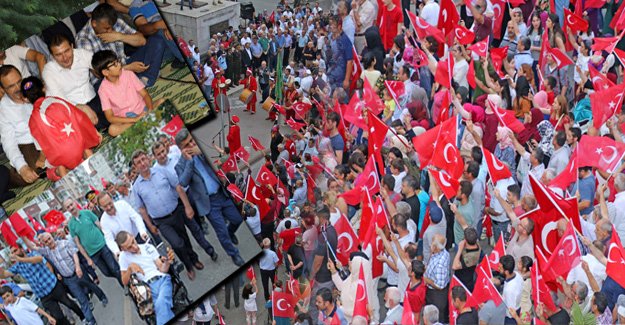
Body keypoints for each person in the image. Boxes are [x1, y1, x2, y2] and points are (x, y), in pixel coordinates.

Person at [174, 128, 245, 266]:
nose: (191, 145)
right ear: (181, 149)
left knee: (237, 218)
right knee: (221, 232)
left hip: (222, 193)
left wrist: (201, 151)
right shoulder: (180, 164)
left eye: (191, 141)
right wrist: (189, 161)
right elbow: (183, 182)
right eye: (186, 145)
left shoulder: (200, 151)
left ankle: (231, 232)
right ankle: (234, 254)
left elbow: (221, 157)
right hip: (209, 203)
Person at [131, 149, 205, 281]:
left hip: (176, 212)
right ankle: (188, 266)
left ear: (148, 159)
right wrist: (150, 226)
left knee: (185, 239)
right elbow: (142, 209)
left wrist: (187, 206)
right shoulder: (136, 187)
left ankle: (194, 260)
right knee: (177, 244)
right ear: (135, 167)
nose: (142, 163)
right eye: (138, 162)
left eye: (143, 159)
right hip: (161, 221)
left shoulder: (161, 171)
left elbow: (177, 187)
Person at [20, 76, 101, 181]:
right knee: (84, 147)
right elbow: (80, 118)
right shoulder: (57, 100)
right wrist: (94, 133)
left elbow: (43, 149)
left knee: (54, 167)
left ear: (25, 99)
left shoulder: (32, 121)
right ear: (44, 87)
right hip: (78, 145)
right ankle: (93, 166)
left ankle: (64, 176)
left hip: (62, 155)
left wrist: (40, 162)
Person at [23, 231, 108, 325]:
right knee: (81, 299)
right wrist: (22, 236)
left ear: (52, 237)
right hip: (69, 280)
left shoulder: (64, 243)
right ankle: (91, 320)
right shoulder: (47, 252)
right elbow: (32, 247)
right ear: (44, 244)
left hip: (79, 272)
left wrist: (78, 267)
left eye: (49, 239)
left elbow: (74, 254)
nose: (49, 242)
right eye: (46, 242)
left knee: (92, 286)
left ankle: (102, 297)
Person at [75, 3, 165, 87]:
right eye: (106, 28)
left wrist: (120, 36)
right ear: (94, 23)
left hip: (124, 63)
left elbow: (142, 41)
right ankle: (139, 79)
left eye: (111, 27)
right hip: (105, 80)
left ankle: (146, 79)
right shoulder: (83, 39)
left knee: (156, 41)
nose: (110, 31)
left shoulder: (114, 22)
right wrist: (127, 68)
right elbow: (98, 73)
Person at [0, 245, 85, 325]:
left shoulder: (33, 254)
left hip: (53, 286)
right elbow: (4, 274)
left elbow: (39, 259)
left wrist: (20, 259)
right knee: (58, 317)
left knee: (69, 303)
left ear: (22, 249)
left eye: (15, 250)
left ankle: (83, 317)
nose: (14, 254)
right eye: (12, 253)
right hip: (43, 296)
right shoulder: (17, 266)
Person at [91, 50, 164, 136]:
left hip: (144, 111)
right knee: (112, 130)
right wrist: (134, 120)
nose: (119, 64)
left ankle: (140, 127)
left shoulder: (128, 74)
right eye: (114, 64)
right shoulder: (103, 90)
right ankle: (140, 125)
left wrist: (150, 110)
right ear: (105, 72)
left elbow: (144, 94)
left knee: (162, 101)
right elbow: (110, 117)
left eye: (117, 61)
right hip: (127, 120)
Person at [43, 33, 106, 130]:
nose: (65, 57)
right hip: (73, 110)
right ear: (52, 56)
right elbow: (59, 99)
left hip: (95, 98)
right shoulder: (48, 71)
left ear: (72, 46)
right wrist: (80, 107)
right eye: (58, 54)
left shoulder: (81, 53)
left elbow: (101, 65)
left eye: (67, 51)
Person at [116, 230, 176, 325]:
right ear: (123, 249)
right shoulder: (123, 258)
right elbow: (124, 281)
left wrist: (167, 261)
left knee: (160, 304)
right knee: (160, 307)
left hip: (162, 280)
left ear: (133, 236)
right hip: (147, 289)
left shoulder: (148, 247)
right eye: (129, 247)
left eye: (133, 242)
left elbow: (162, 269)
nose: (134, 247)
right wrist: (130, 268)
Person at [0, 65, 44, 187]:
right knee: (28, 174)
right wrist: (22, 167)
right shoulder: (3, 109)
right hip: (29, 144)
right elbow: (9, 143)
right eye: (10, 86)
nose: (18, 88)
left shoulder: (33, 87)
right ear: (3, 89)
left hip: (48, 131)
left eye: (19, 81)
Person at [64, 198, 123, 286]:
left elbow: (99, 225)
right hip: (92, 253)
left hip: (102, 245)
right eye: (68, 207)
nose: (71, 207)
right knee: (106, 272)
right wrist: (88, 259)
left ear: (75, 203)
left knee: (114, 268)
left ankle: (126, 286)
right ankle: (125, 278)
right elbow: (78, 244)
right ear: (67, 210)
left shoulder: (87, 213)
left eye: (71, 204)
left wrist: (109, 240)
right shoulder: (71, 224)